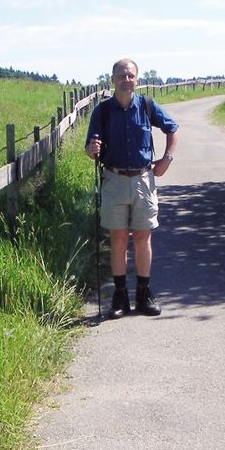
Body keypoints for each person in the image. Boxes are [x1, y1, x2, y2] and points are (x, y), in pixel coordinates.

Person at [85, 58, 179, 319]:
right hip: (114, 180)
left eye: (131, 76)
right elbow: (91, 148)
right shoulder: (102, 111)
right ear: (112, 79)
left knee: (142, 238)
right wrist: (92, 150)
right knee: (117, 239)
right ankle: (119, 297)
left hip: (143, 180)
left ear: (137, 79)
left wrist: (166, 159)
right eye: (122, 76)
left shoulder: (147, 106)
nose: (127, 80)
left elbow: (173, 129)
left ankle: (144, 294)